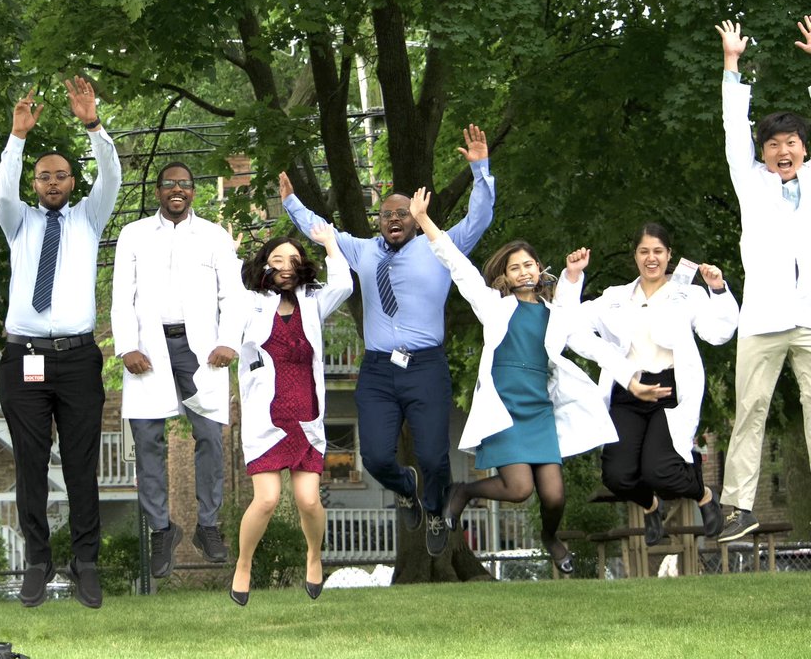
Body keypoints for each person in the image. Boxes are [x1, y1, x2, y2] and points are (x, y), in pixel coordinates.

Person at [280, 126, 495, 556]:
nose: (394, 220)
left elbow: (480, 219)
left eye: (402, 214)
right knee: (376, 457)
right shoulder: (362, 251)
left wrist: (480, 170)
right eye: (386, 215)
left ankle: (434, 508)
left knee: (435, 457)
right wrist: (291, 203)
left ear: (416, 219)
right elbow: (322, 231)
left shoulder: (441, 246)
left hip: (426, 368)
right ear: (377, 221)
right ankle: (405, 486)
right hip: (378, 370)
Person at [405, 188, 639, 573]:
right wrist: (426, 221)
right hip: (505, 408)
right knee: (519, 489)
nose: (524, 271)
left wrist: (574, 275)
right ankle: (462, 492)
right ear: (504, 277)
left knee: (553, 495)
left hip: (539, 410)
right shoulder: (494, 308)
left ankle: (550, 538)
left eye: (529, 265)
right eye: (515, 267)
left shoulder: (554, 313)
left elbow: (576, 320)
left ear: (539, 269)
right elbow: (457, 266)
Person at [0, 78, 122, 609]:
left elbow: (111, 176)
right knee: (29, 461)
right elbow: (2, 190)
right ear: (36, 183)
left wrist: (94, 125)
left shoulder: (89, 219)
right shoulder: (18, 220)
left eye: (60, 175)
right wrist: (17, 138)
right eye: (43, 177)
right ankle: (37, 561)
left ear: (73, 182)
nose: (51, 182)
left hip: (76, 359)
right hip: (23, 356)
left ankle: (85, 562)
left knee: (80, 462)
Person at [559, 225, 737, 545]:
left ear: (669, 255)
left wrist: (718, 289)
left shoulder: (688, 295)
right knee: (617, 476)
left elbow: (720, 333)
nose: (651, 258)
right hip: (628, 389)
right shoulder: (615, 297)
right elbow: (569, 327)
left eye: (658, 251)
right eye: (644, 251)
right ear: (636, 256)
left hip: (669, 390)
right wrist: (572, 278)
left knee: (660, 471)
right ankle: (650, 505)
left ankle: (705, 495)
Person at [111, 161, 246, 578]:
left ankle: (208, 526)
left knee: (208, 435)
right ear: (157, 191)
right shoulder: (134, 235)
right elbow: (121, 295)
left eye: (184, 184)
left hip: (200, 349)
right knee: (148, 438)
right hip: (149, 347)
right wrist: (126, 347)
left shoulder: (214, 236)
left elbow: (234, 294)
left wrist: (229, 340)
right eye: (169, 183)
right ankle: (161, 529)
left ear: (193, 192)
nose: (177, 190)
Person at [715, 19, 811, 541]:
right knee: (750, 410)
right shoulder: (752, 182)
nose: (782, 151)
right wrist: (731, 65)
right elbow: (734, 131)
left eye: (791, 142)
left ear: (803, 147)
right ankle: (737, 507)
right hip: (763, 318)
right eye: (773, 144)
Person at [230, 223, 352, 605]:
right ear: (265, 264)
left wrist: (330, 243)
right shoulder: (249, 301)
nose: (285, 265)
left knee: (309, 501)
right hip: (266, 418)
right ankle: (244, 564)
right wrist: (229, 255)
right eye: (277, 258)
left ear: (301, 266)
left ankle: (314, 556)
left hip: (306, 415)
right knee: (266, 499)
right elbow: (227, 292)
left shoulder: (312, 301)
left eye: (293, 259)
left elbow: (345, 285)